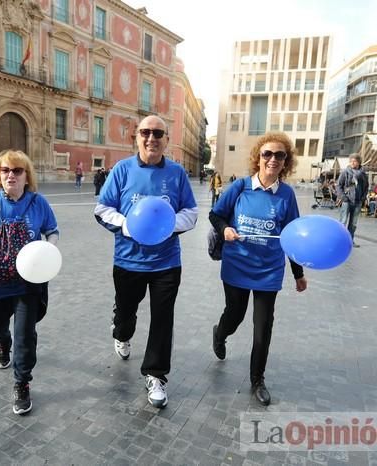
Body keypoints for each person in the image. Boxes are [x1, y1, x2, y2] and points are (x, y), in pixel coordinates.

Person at [93, 115, 198, 408]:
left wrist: (168, 225)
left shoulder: (177, 174)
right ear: (137, 137)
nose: (151, 138)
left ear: (166, 139)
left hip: (166, 263)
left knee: (163, 320)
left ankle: (156, 375)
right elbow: (102, 209)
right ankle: (122, 333)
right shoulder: (122, 170)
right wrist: (129, 226)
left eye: (158, 134)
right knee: (126, 313)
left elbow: (191, 211)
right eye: (145, 133)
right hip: (128, 261)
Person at [208, 131, 307, 406]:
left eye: (280, 155)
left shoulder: (286, 195)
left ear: (286, 161)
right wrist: (225, 228)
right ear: (258, 158)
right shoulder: (240, 187)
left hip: (269, 270)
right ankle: (220, 332)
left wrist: (298, 274)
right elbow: (215, 214)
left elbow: (292, 235)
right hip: (237, 264)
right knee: (235, 315)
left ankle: (257, 380)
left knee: (263, 326)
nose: (273, 159)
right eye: (267, 154)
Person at [0, 150, 59, 415]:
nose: (10, 175)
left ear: (27, 175)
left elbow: (52, 231)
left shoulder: (38, 203)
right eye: (5, 170)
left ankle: (22, 383)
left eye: (17, 170)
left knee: (25, 335)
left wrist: (48, 250)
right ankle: (2, 344)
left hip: (28, 284)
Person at [335, 155, 368, 247]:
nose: (352, 163)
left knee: (353, 223)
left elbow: (366, 187)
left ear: (359, 162)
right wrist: (343, 197)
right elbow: (338, 185)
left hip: (357, 201)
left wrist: (363, 197)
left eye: (354, 161)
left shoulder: (363, 174)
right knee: (343, 221)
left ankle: (350, 240)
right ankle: (340, 240)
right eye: (351, 161)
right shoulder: (345, 172)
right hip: (347, 201)